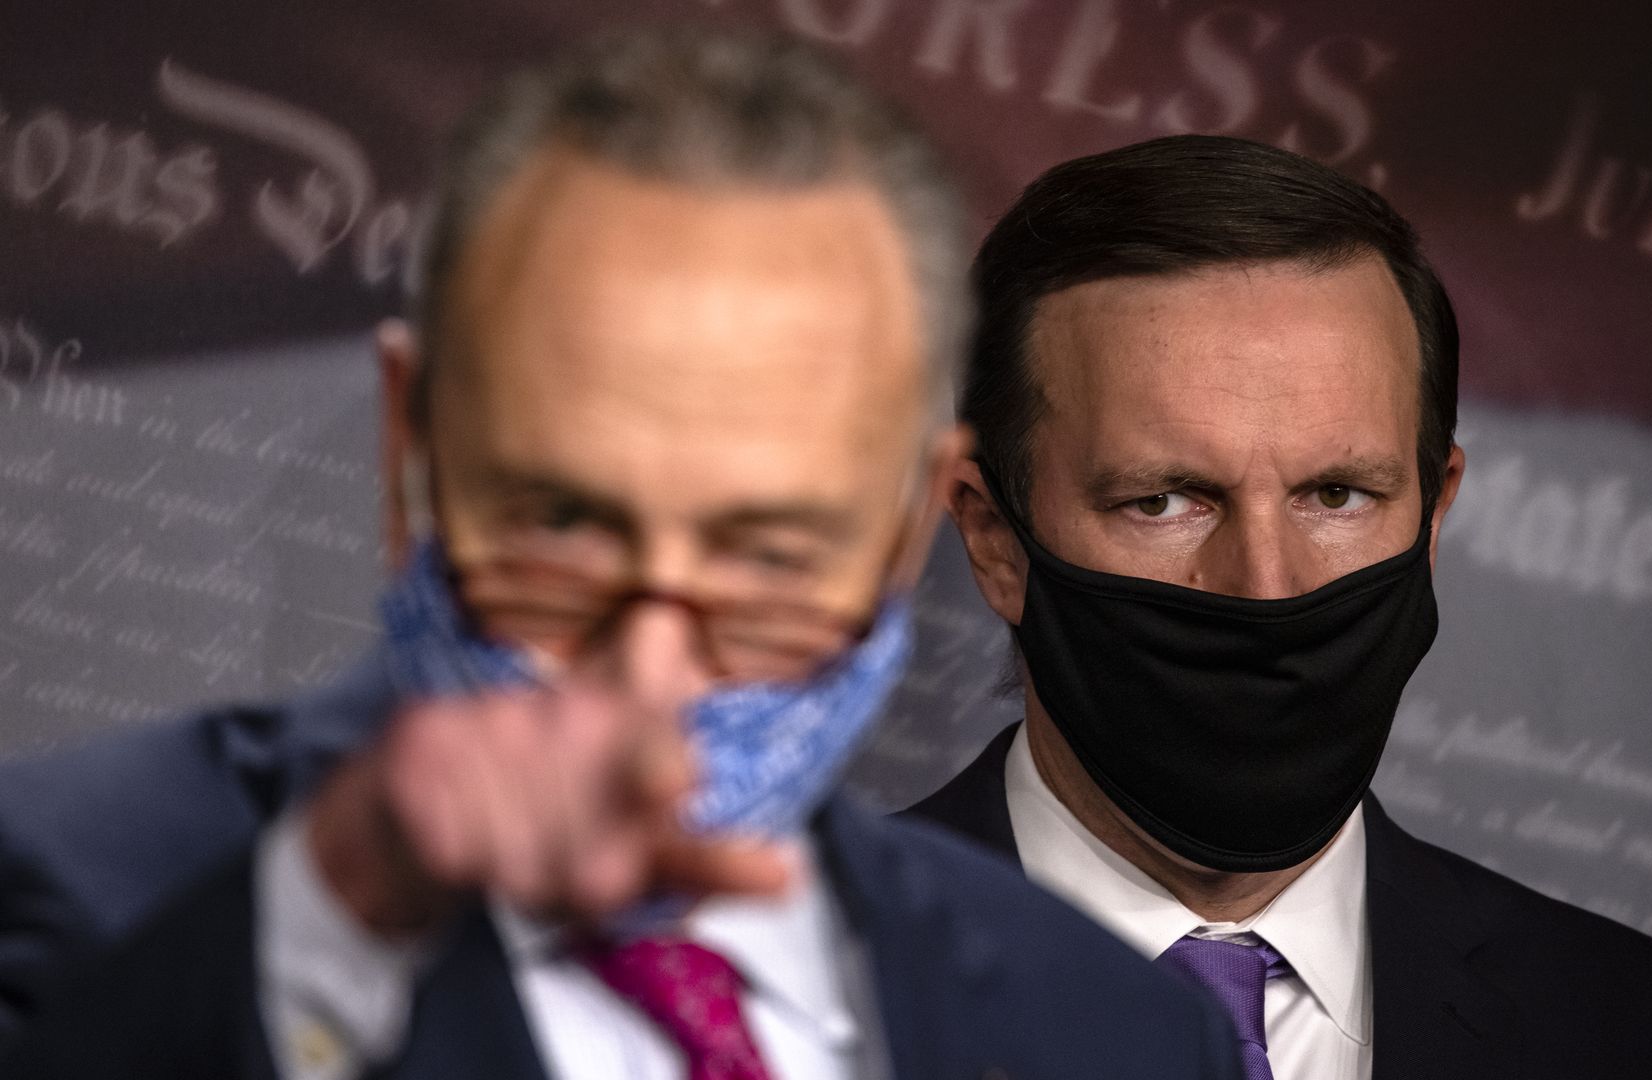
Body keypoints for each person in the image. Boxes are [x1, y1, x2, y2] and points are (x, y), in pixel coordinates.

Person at [0, 30, 1244, 1080]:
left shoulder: (1113, 1032)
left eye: (767, 558)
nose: (648, 680)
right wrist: (337, 909)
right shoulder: (73, 889)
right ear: (409, 452)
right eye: (562, 530)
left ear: (910, 522)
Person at [908, 134, 1652, 1080]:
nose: (1269, 583)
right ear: (993, 538)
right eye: (1163, 501)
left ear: (1435, 513)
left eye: (1337, 496)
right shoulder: (757, 993)